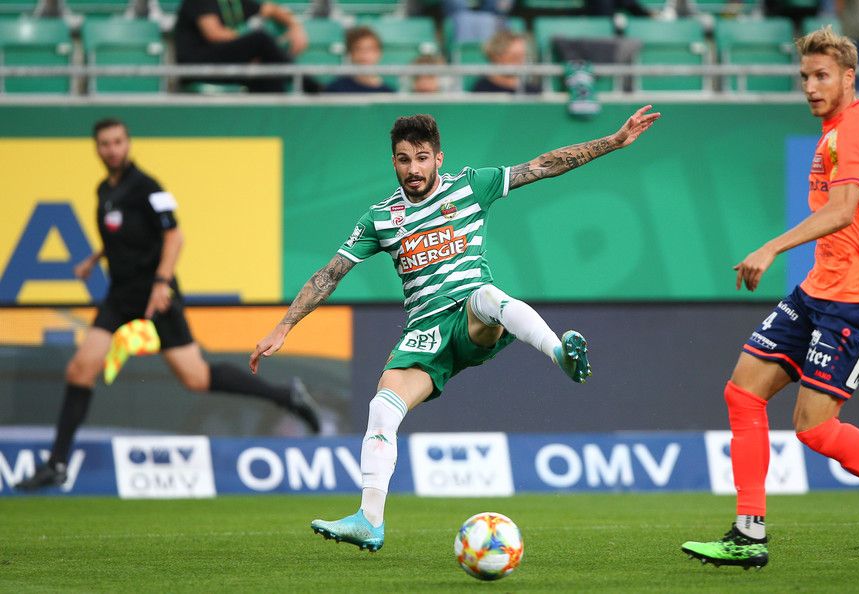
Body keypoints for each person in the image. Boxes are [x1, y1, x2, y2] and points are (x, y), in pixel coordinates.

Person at [250, 107, 660, 552]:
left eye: (422, 157)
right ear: (394, 162)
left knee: (486, 296)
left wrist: (612, 142)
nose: (413, 168)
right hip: (424, 333)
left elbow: (544, 165)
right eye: (404, 159)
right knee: (382, 408)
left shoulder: (471, 186)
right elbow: (330, 275)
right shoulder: (380, 219)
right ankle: (369, 520)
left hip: (472, 319)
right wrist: (284, 326)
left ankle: (559, 352)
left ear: (438, 158)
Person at [679, 27, 859, 572]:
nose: (810, 86)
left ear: (849, 77)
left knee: (814, 428)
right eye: (805, 76)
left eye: (822, 76)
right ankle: (748, 533)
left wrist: (771, 247)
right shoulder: (855, 125)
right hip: (818, 290)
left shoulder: (855, 129)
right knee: (743, 392)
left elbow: (843, 209)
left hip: (856, 301)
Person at [15, 118, 322, 491]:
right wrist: (94, 259)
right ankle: (58, 464)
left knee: (196, 378)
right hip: (120, 295)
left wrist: (161, 283)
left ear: (128, 143)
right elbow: (120, 235)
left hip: (155, 294)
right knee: (80, 369)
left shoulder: (147, 187)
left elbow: (174, 237)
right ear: (97, 148)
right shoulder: (104, 190)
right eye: (105, 143)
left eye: (117, 141)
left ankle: (286, 395)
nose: (112, 149)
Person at [173, 0, 318, 93]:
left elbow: (271, 9)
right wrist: (250, 48)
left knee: (267, 72)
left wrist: (295, 26)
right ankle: (314, 88)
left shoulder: (233, 3)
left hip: (222, 64)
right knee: (260, 40)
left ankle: (275, 123)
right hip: (195, 65)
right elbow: (215, 34)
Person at [324, 27, 395, 94]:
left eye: (369, 49)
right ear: (350, 54)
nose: (364, 54)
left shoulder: (389, 93)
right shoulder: (335, 89)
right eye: (358, 49)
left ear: (379, 53)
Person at [470, 30, 541, 94]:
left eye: (523, 55)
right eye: (515, 56)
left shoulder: (534, 92)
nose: (521, 61)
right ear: (496, 56)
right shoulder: (482, 90)